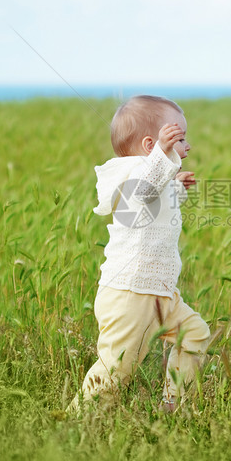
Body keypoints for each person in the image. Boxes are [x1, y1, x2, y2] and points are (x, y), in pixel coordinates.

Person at [71, 94, 210, 411]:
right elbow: (146, 189)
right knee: (117, 371)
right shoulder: (132, 175)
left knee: (196, 335)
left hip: (159, 291)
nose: (186, 148)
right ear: (151, 145)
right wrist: (164, 152)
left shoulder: (151, 175)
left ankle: (174, 404)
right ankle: (74, 422)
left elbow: (155, 202)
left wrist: (176, 188)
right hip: (130, 293)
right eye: (180, 139)